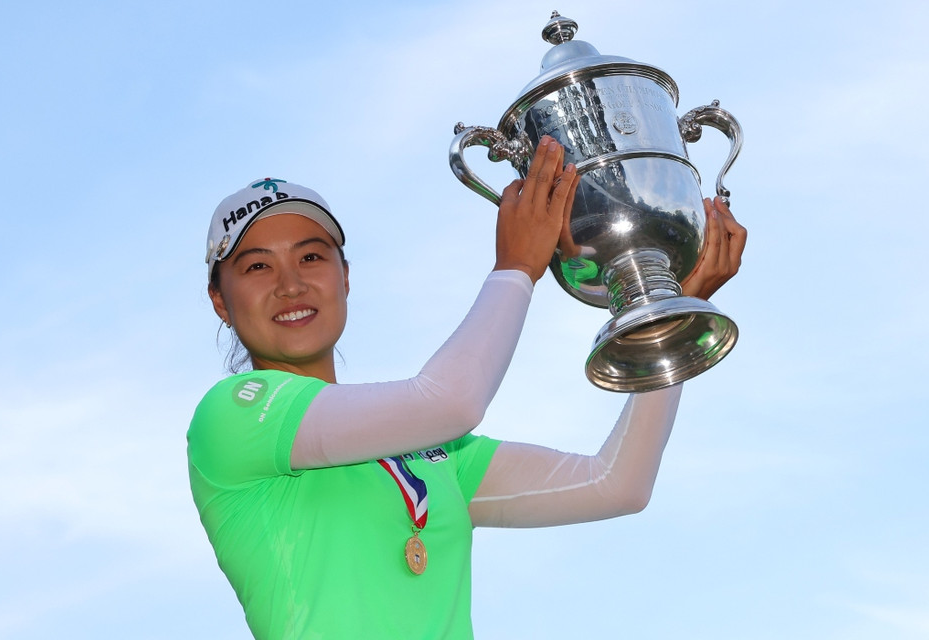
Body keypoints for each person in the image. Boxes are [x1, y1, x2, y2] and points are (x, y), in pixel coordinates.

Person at [187, 136, 747, 639]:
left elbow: (617, 484)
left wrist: (667, 318)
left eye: (312, 257)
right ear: (221, 300)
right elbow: (452, 401)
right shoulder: (233, 416)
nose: (291, 285)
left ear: (345, 277)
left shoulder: (430, 452)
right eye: (257, 267)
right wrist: (516, 269)